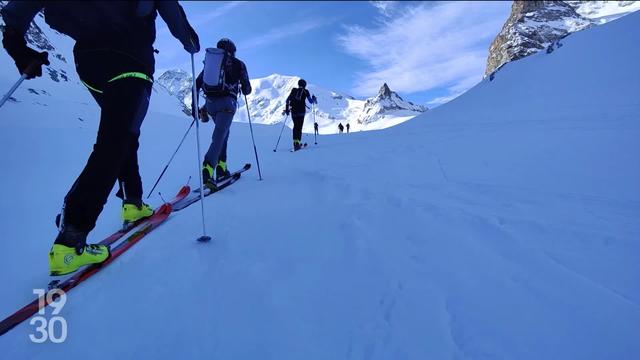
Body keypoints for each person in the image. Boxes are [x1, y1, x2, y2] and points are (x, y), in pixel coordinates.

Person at [1, 1, 200, 276]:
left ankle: (133, 202)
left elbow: (16, 10)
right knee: (115, 140)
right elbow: (172, 13)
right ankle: (71, 238)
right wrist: (189, 40)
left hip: (89, 62)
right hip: (131, 60)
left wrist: (17, 47)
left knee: (122, 133)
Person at [195, 38, 251, 188]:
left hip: (211, 104)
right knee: (219, 136)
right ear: (233, 50)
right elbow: (247, 89)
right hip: (227, 104)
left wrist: (195, 105)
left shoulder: (211, 64)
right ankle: (208, 168)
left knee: (223, 133)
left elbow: (197, 83)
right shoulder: (239, 64)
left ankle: (221, 167)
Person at [284, 79, 317, 151]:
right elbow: (311, 102)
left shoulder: (293, 90)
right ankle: (297, 144)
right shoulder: (306, 91)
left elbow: (287, 101)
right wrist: (314, 99)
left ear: (298, 84)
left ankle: (295, 143)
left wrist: (287, 109)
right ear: (305, 85)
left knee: (295, 127)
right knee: (299, 128)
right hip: (301, 112)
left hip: (293, 112)